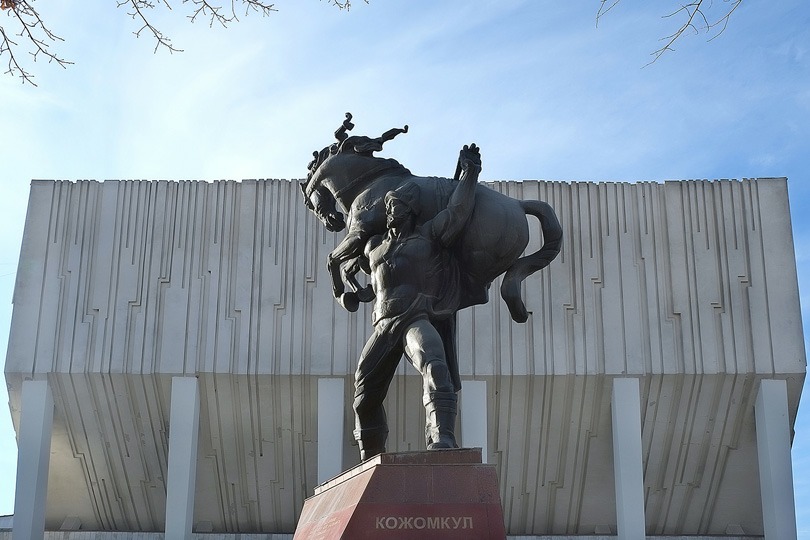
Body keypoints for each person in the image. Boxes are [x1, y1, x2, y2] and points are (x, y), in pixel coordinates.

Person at [352, 144, 481, 460]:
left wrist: (470, 173)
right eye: (389, 207)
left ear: (411, 210)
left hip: (414, 318)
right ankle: (370, 456)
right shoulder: (373, 248)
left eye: (398, 206)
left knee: (435, 366)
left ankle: (442, 437)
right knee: (364, 395)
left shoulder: (429, 236)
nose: (391, 212)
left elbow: (457, 211)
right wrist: (354, 290)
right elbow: (357, 268)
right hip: (383, 326)